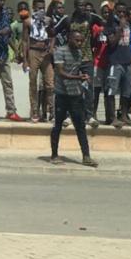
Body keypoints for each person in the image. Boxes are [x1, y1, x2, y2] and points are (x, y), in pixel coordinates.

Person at [50, 30, 98, 167]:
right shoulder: (60, 51)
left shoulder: (79, 53)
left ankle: (86, 156)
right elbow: (60, 73)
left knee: (80, 126)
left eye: (81, 41)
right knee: (57, 126)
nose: (80, 43)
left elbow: (77, 71)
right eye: (77, 40)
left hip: (75, 95)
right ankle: (54, 155)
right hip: (61, 94)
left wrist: (83, 83)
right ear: (69, 39)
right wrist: (78, 78)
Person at [53, 0, 102, 126]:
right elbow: (53, 30)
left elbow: (106, 23)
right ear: (75, 6)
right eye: (80, 5)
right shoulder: (68, 19)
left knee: (88, 87)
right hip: (72, 57)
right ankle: (69, 115)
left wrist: (112, 11)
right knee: (71, 86)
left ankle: (89, 115)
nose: (83, 8)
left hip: (86, 57)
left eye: (85, 5)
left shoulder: (91, 18)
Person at [23, 0, 55, 123]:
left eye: (43, 8)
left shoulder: (48, 20)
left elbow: (53, 36)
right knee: (33, 81)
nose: (41, 10)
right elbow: (25, 41)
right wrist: (25, 59)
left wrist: (51, 48)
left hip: (45, 52)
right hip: (33, 51)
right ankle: (35, 111)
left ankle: (51, 112)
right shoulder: (28, 22)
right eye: (39, 8)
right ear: (33, 8)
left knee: (50, 83)